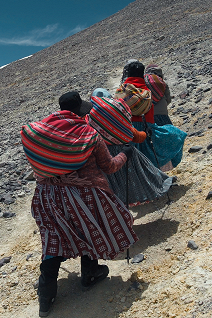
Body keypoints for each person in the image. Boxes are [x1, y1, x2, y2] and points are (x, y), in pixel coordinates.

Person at [21, 91, 138, 317]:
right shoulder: (89, 134)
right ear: (78, 112)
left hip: (48, 196)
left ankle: (46, 296)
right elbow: (110, 166)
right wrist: (125, 154)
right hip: (84, 193)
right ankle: (90, 273)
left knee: (53, 237)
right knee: (88, 229)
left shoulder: (41, 133)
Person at [87, 95, 173, 206]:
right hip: (127, 153)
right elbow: (138, 137)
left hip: (105, 159)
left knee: (116, 185)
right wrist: (146, 134)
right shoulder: (121, 125)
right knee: (141, 175)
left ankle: (120, 205)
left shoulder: (91, 126)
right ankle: (154, 190)